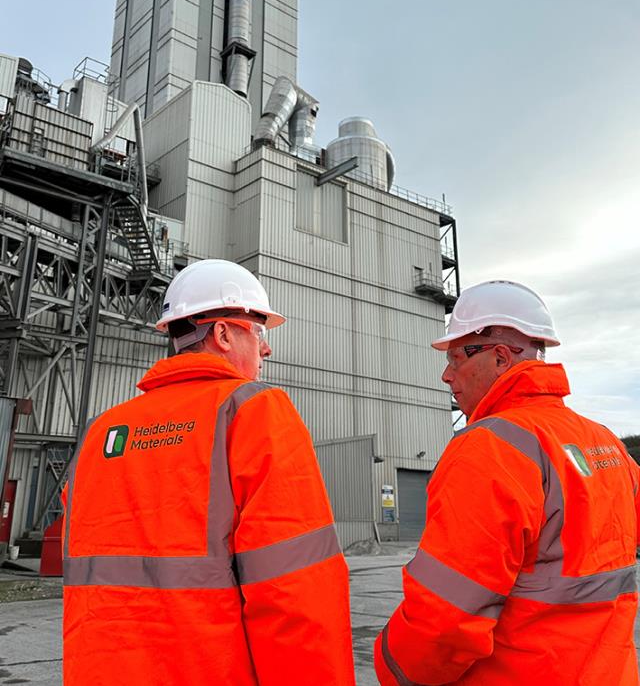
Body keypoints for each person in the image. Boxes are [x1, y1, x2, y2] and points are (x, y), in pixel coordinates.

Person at [62, 259, 355, 685]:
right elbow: (296, 593)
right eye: (260, 333)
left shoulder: (102, 432)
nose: (266, 349)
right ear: (222, 333)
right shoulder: (252, 410)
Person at [375, 280, 640, 685]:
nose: (447, 375)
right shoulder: (606, 443)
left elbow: (444, 623)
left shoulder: (489, 448)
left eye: (456, 357)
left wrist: (394, 669)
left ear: (499, 357)